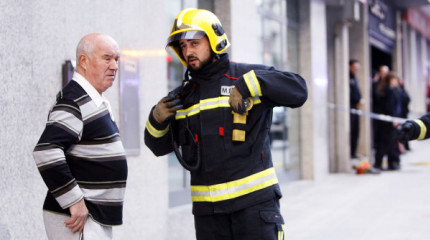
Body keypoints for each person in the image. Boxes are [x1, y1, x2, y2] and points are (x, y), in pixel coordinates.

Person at [144, 8, 307, 240]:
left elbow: (299, 90)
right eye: (183, 46)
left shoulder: (247, 76)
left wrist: (250, 85)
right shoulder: (182, 98)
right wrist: (156, 119)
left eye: (194, 43)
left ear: (214, 39)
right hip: (209, 218)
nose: (188, 51)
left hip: (254, 209)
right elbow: (158, 147)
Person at [33, 33, 127, 240]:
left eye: (116, 59)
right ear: (83, 61)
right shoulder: (74, 102)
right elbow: (46, 151)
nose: (115, 66)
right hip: (78, 219)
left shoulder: (91, 100)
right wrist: (75, 201)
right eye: (107, 58)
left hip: (91, 217)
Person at [373, 72, 402, 170]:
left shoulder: (391, 90)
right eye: (394, 80)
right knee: (385, 142)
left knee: (390, 142)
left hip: (388, 121)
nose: (395, 82)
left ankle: (390, 162)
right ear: (390, 80)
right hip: (388, 122)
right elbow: (390, 106)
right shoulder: (389, 90)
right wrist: (393, 119)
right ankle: (381, 163)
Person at [371, 65, 389, 151]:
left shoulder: (390, 85)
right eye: (383, 72)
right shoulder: (377, 85)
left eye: (386, 72)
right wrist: (374, 83)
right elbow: (376, 97)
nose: (384, 74)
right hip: (379, 115)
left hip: (389, 115)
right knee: (380, 138)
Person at [349, 59, 363, 159]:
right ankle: (351, 153)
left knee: (356, 132)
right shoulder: (349, 78)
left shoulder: (355, 78)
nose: (356, 69)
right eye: (355, 67)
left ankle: (353, 152)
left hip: (356, 108)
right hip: (351, 109)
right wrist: (356, 101)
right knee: (352, 131)